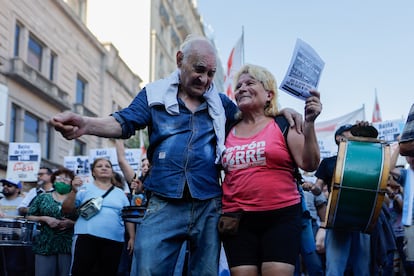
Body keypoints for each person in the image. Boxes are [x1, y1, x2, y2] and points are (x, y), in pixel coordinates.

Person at [50, 34, 303, 275]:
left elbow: (253, 118)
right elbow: (124, 122)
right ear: (180, 60)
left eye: (211, 74)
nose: (205, 79)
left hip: (208, 203)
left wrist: (281, 112)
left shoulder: (222, 105)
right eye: (199, 70)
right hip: (163, 201)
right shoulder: (153, 94)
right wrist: (85, 124)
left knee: (205, 272)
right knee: (147, 270)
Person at [220, 64, 322, 276]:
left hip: (280, 218)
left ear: (269, 94)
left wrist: (310, 123)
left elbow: (310, 164)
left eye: (250, 83)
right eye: (238, 86)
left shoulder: (284, 123)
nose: (242, 88)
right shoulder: (226, 128)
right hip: (237, 221)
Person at [61, 157, 135, 276]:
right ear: (93, 172)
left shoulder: (121, 193)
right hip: (86, 237)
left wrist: (132, 237)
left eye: (107, 166)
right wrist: (73, 191)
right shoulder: (83, 189)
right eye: (99, 166)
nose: (104, 168)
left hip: (114, 240)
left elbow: (127, 216)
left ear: (112, 172)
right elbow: (66, 210)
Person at [26, 167, 79, 276]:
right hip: (45, 244)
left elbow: (85, 220)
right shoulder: (43, 197)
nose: (63, 181)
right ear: (54, 180)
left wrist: (71, 223)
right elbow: (29, 216)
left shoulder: (78, 198)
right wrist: (44, 218)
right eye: (60, 178)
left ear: (72, 183)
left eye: (67, 179)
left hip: (68, 245)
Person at [390, 143, 414, 276]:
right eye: (409, 155)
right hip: (411, 226)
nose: (412, 158)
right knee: (410, 265)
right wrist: (400, 145)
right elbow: (390, 168)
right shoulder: (407, 174)